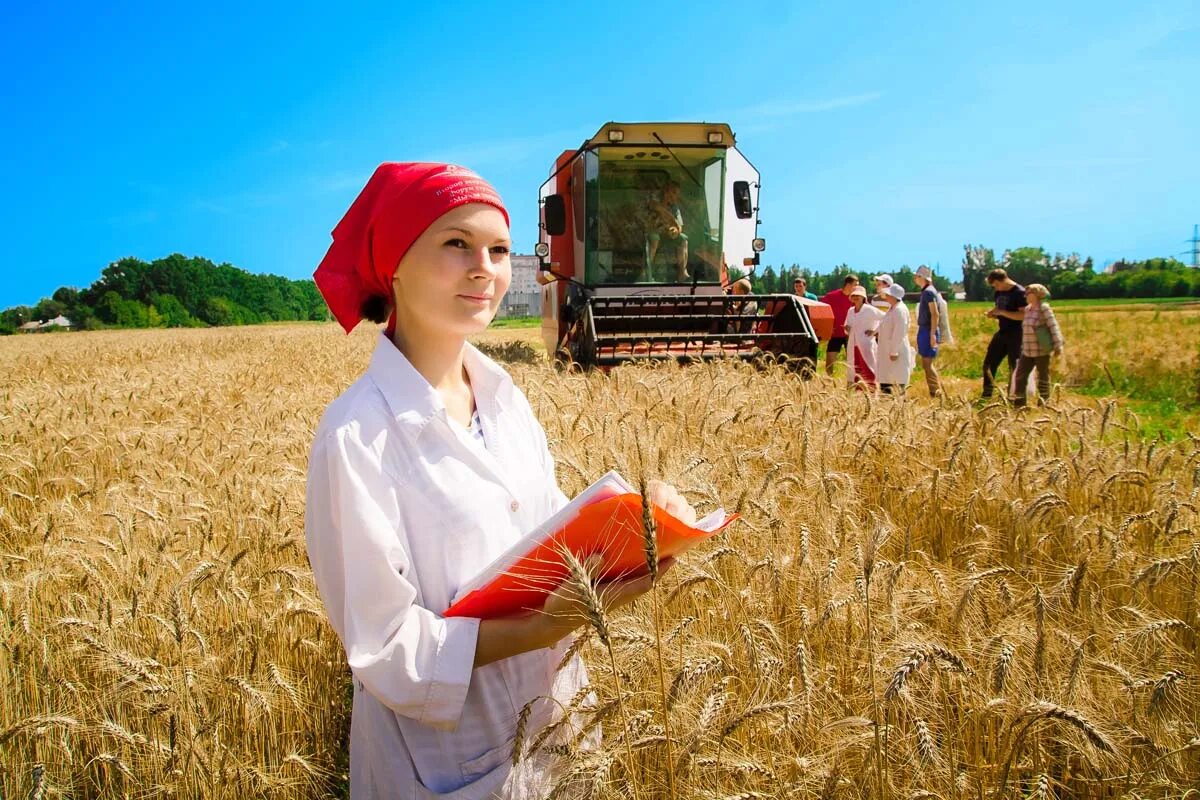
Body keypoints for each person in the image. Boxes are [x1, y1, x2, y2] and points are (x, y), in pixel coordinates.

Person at [305, 162, 696, 799]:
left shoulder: (506, 398)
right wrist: (544, 627)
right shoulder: (357, 434)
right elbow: (385, 648)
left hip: (555, 728)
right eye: (456, 243)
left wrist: (638, 522)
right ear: (393, 264)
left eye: (498, 249)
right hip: (443, 763)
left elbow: (542, 535)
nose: (484, 267)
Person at [1012, 283, 1065, 407]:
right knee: (1020, 376)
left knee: (1043, 377)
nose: (1025, 295)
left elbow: (1053, 326)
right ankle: (1019, 404)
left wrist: (1058, 345)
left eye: (1029, 293)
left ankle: (1043, 404)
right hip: (1027, 351)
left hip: (1041, 350)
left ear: (1037, 295)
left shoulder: (1044, 308)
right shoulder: (1027, 309)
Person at [981, 268, 1027, 399]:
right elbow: (999, 308)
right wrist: (993, 313)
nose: (996, 288)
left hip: (1017, 333)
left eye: (996, 285)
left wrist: (1002, 313)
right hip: (1003, 331)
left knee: (1015, 367)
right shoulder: (999, 293)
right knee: (988, 363)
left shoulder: (1019, 293)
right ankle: (986, 395)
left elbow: (1023, 315)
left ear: (1003, 280)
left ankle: (1016, 398)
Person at [645, 181, 689, 282]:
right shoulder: (654, 201)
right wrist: (673, 221)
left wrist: (675, 231)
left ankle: (682, 272)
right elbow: (659, 209)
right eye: (674, 193)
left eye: (677, 194)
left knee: (683, 239)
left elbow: (680, 226)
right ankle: (647, 271)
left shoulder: (675, 208)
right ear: (666, 192)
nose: (676, 197)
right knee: (655, 239)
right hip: (652, 232)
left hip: (666, 235)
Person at [875, 283, 914, 394]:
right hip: (887, 350)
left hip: (896, 351)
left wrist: (894, 351)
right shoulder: (893, 308)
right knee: (887, 379)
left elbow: (899, 331)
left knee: (896, 379)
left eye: (888, 294)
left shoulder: (899, 310)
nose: (886, 296)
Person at [843, 284, 884, 389]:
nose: (856, 297)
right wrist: (847, 328)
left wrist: (875, 331)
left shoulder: (869, 309)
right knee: (856, 369)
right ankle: (859, 393)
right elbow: (847, 324)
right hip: (853, 345)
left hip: (866, 344)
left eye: (858, 295)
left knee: (868, 368)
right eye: (854, 295)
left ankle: (871, 391)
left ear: (863, 297)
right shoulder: (850, 310)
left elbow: (885, 318)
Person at [819, 275, 860, 377]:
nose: (857, 287)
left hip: (851, 335)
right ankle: (829, 382)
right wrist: (827, 327)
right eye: (855, 285)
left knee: (853, 361)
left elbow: (865, 312)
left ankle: (854, 381)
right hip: (835, 334)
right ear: (848, 284)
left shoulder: (858, 298)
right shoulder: (831, 296)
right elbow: (821, 310)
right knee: (830, 361)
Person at [912, 265, 942, 397]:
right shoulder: (928, 291)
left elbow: (935, 314)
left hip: (928, 329)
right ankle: (934, 392)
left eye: (917, 276)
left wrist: (932, 334)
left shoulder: (928, 292)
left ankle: (936, 393)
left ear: (922, 278)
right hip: (926, 329)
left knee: (928, 364)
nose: (915, 278)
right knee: (926, 364)